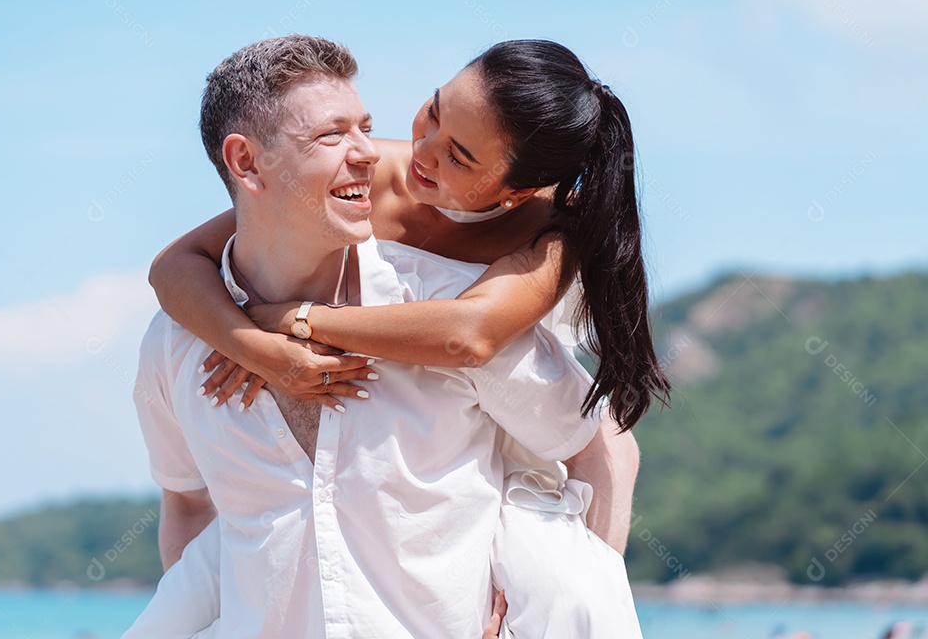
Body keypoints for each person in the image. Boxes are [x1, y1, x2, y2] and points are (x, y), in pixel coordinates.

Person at [124, 36, 644, 638]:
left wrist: (297, 319)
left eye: (459, 157)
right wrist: (251, 344)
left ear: (515, 193)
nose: (416, 151)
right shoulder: (378, 175)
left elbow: (470, 336)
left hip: (504, 406)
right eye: (433, 110)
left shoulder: (549, 237)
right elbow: (176, 263)